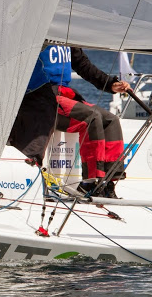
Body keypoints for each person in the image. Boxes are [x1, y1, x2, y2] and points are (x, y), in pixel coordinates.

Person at [8, 45, 130, 198]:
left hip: (64, 94)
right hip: (42, 97)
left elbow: (83, 65)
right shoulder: (42, 32)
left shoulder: (67, 28)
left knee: (111, 120)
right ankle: (90, 182)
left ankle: (108, 181)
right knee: (91, 117)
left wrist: (111, 84)